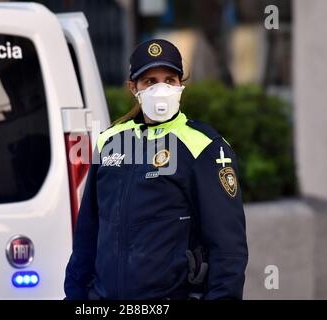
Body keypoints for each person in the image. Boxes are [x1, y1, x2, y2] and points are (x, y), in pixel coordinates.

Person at [64, 39, 248, 300]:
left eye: (169, 80)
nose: (161, 89)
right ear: (133, 88)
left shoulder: (203, 147)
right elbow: (88, 233)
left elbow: (228, 248)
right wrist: (75, 295)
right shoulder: (110, 141)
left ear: (180, 85)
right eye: (150, 81)